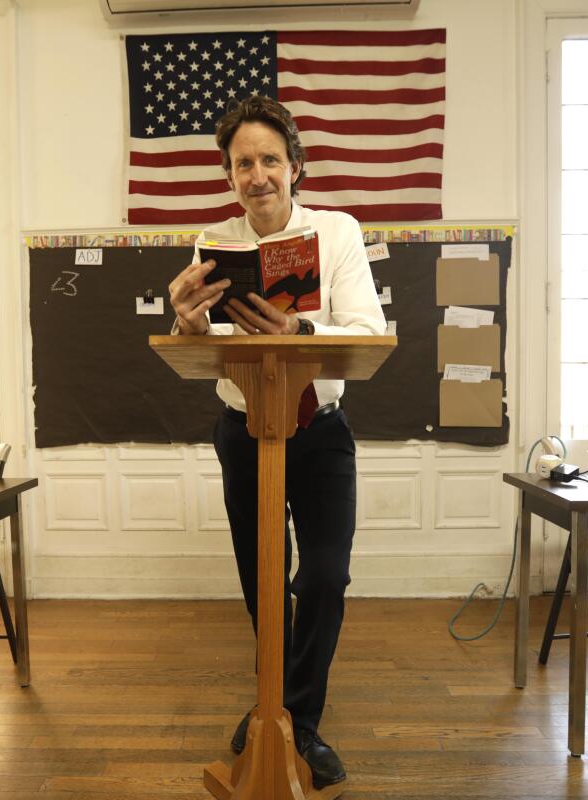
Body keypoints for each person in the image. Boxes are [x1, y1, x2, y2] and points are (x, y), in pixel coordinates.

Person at [167, 95, 385, 789]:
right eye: (241, 164)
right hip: (243, 429)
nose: (256, 175)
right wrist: (191, 327)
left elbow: (368, 330)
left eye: (268, 160)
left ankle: (295, 717)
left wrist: (302, 335)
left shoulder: (339, 231)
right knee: (263, 584)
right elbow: (204, 348)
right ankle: (276, 710)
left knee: (324, 576)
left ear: (295, 166)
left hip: (319, 432)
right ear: (229, 176)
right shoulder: (215, 242)